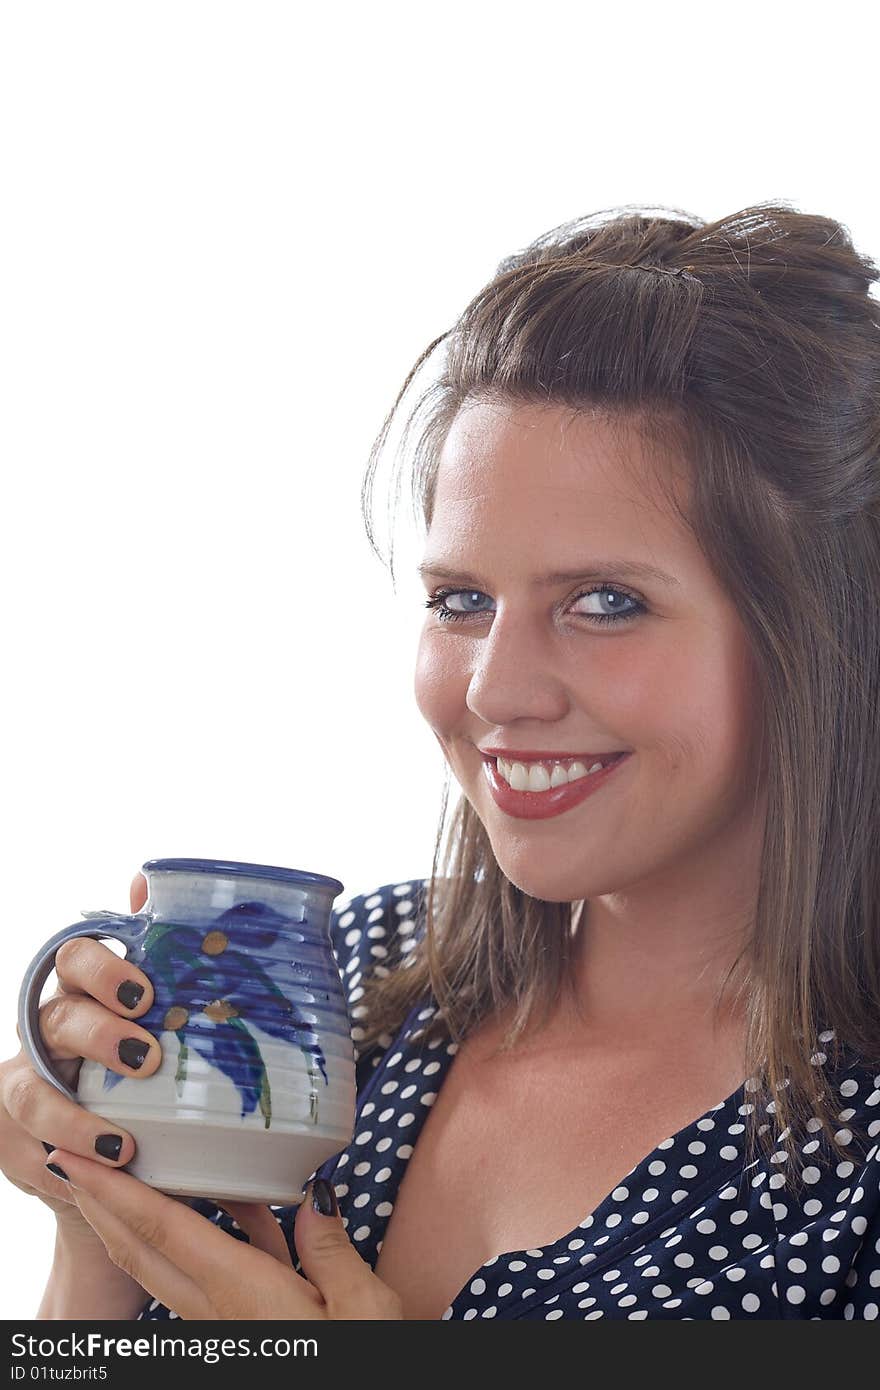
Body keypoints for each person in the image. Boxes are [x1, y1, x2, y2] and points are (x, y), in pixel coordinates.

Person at [3, 200, 880, 1320]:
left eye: (605, 603)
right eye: (460, 600)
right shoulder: (347, 979)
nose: (493, 689)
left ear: (823, 633)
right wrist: (99, 1230)